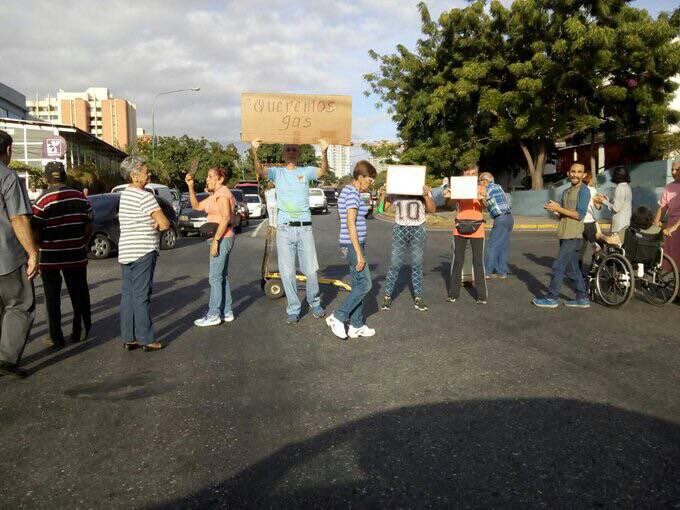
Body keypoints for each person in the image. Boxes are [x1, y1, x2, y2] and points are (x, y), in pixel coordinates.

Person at [252, 138, 329, 324]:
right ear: (283, 153)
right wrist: (254, 151)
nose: (292, 152)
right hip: (285, 229)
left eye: (295, 149)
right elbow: (259, 171)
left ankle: (314, 303)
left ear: (299, 153)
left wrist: (325, 151)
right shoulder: (277, 173)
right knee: (287, 273)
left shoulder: (306, 171)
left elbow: (322, 171)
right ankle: (294, 309)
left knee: (310, 271)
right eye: (288, 149)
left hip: (304, 228)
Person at [32, 161, 92, 347]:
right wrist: (81, 242)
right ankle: (80, 331)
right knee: (79, 294)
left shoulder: (42, 201)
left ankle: (55, 337)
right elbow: (89, 226)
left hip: (50, 257)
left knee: (53, 298)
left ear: (46, 178)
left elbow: (35, 231)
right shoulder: (80, 198)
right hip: (76, 254)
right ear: (65, 177)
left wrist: (36, 250)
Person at [117, 156, 170, 351]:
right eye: (146, 172)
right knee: (142, 295)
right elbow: (164, 223)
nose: (149, 174)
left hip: (126, 250)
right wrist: (157, 223)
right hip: (143, 250)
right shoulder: (145, 196)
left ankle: (128, 337)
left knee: (128, 295)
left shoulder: (125, 194)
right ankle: (146, 339)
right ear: (134, 175)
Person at [0, 130, 38, 379]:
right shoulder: (7, 176)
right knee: (19, 306)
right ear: (9, 150)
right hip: (6, 258)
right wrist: (32, 252)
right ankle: (6, 360)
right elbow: (17, 218)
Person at [326, 161, 378, 339]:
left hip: (350, 244)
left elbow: (345, 221)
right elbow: (350, 223)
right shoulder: (352, 194)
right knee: (366, 284)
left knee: (357, 283)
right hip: (352, 245)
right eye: (370, 180)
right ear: (361, 177)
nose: (371, 183)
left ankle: (356, 325)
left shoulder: (349, 191)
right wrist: (359, 253)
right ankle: (338, 316)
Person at [533, 163, 591, 308]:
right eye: (573, 171)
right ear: (568, 173)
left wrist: (560, 209)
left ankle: (552, 298)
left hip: (574, 235)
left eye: (579, 172)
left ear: (584, 175)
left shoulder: (584, 191)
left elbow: (579, 214)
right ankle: (582, 297)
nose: (575, 174)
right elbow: (562, 214)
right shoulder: (566, 191)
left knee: (559, 267)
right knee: (573, 269)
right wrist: (555, 210)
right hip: (564, 233)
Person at [185, 167, 236, 327]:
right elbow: (196, 206)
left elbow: (226, 217)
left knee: (214, 277)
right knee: (222, 276)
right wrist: (190, 186)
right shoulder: (216, 195)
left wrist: (215, 240)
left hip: (222, 237)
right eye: (207, 176)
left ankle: (214, 314)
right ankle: (226, 312)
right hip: (223, 237)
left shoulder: (222, 193)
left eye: (210, 176)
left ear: (220, 179)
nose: (207, 179)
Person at [378, 183, 436, 311]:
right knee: (394, 264)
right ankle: (387, 296)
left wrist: (426, 194)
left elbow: (432, 209)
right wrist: (383, 195)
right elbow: (381, 209)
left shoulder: (421, 189)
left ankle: (418, 298)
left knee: (417, 264)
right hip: (400, 229)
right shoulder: (396, 191)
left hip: (418, 229)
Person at [444, 165, 488, 304]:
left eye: (473, 173)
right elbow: (449, 203)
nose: (470, 175)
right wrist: (449, 195)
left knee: (478, 262)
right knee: (458, 261)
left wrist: (482, 199)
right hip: (460, 227)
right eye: (467, 172)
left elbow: (486, 207)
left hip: (478, 227)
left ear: (476, 175)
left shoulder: (481, 188)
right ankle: (453, 294)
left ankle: (481, 296)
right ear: (463, 174)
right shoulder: (458, 187)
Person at [479, 172, 513, 279]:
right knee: (503, 246)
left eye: (479, 181)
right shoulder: (497, 186)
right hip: (509, 218)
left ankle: (487, 273)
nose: (478, 184)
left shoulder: (488, 189)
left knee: (492, 246)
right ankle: (501, 272)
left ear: (485, 181)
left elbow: (483, 203)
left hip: (501, 218)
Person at [655, 161, 680, 269]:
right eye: (672, 169)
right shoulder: (669, 187)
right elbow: (663, 207)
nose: (674, 172)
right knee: (672, 262)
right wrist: (655, 223)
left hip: (675, 227)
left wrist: (674, 227)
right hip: (671, 229)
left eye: (677, 169)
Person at [579, 168, 602, 272]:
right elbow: (598, 206)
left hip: (579, 222)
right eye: (592, 178)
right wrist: (601, 201)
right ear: (589, 179)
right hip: (589, 222)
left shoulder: (578, 189)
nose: (594, 180)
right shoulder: (593, 190)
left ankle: (578, 270)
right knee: (598, 246)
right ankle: (594, 268)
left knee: (581, 249)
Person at [600, 165, 632, 233]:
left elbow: (616, 208)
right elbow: (622, 203)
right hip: (627, 220)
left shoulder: (619, 188)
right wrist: (609, 200)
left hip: (619, 222)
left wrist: (603, 201)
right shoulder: (627, 186)